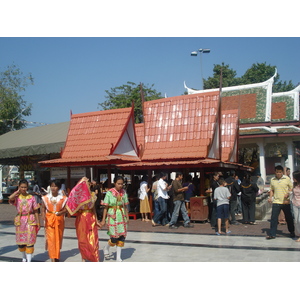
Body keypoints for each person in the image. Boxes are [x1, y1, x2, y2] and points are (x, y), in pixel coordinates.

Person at [66, 177, 101, 262]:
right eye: (87, 183)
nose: (89, 184)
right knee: (82, 239)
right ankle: (84, 257)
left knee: (93, 237)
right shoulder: (79, 196)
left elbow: (93, 209)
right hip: (81, 217)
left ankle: (95, 257)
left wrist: (96, 220)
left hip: (91, 217)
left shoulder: (92, 195)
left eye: (89, 183)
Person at [8, 179, 40, 262]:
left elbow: (36, 210)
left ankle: (29, 260)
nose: (23, 189)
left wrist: (38, 221)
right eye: (21, 187)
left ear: (27, 187)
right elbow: (10, 198)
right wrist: (16, 192)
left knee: (30, 240)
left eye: (25, 187)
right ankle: (23, 257)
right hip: (20, 221)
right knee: (21, 242)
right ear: (19, 187)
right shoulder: (17, 198)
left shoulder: (31, 198)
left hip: (30, 220)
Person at [101, 176, 129, 262]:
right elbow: (105, 207)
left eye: (122, 184)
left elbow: (125, 205)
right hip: (112, 216)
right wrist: (103, 219)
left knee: (121, 236)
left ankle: (118, 257)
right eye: (118, 184)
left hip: (121, 216)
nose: (120, 185)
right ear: (114, 183)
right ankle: (106, 248)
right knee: (113, 237)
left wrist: (127, 216)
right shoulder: (109, 193)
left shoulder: (123, 192)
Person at [41, 179, 68, 262]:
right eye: (52, 186)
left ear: (59, 188)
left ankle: (57, 254)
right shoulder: (46, 198)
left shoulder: (63, 198)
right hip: (49, 219)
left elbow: (66, 209)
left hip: (59, 220)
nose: (53, 188)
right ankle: (53, 257)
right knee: (51, 238)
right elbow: (43, 208)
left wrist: (61, 212)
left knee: (58, 237)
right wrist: (43, 216)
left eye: (55, 186)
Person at [266, 165, 295, 240]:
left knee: (289, 218)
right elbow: (271, 189)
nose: (278, 174)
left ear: (282, 172)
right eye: (277, 172)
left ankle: (292, 231)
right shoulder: (272, 180)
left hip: (285, 201)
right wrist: (270, 197)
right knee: (274, 218)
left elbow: (292, 188)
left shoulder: (287, 179)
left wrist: (288, 193)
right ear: (275, 172)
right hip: (276, 201)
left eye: (280, 172)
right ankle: (272, 234)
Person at [291, 170, 300, 242]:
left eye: (294, 177)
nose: (292, 178)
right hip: (295, 204)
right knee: (296, 220)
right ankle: (298, 234)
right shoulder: (294, 184)